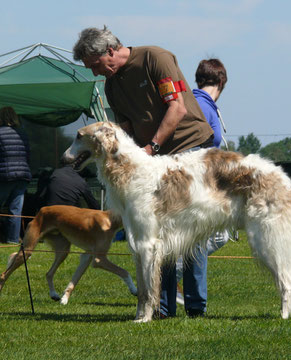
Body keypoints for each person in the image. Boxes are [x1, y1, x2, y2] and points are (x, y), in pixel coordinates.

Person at [73, 26, 214, 318]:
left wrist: (150, 149)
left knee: (191, 230)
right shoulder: (112, 86)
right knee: (155, 231)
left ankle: (195, 307)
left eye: (96, 65)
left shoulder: (155, 58)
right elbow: (125, 130)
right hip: (154, 158)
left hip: (189, 148)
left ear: (109, 51)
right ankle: (162, 307)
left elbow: (177, 109)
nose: (96, 74)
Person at [176, 59, 230, 305]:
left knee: (204, 237)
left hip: (194, 180)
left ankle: (176, 282)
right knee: (210, 237)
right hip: (196, 183)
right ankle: (181, 283)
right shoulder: (203, 105)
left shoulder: (193, 101)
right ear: (221, 82)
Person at [0, 106, 32, 244]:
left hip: (3, 177)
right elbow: (27, 156)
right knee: (15, 210)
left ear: (0, 118)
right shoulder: (23, 134)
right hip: (22, 176)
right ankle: (13, 241)